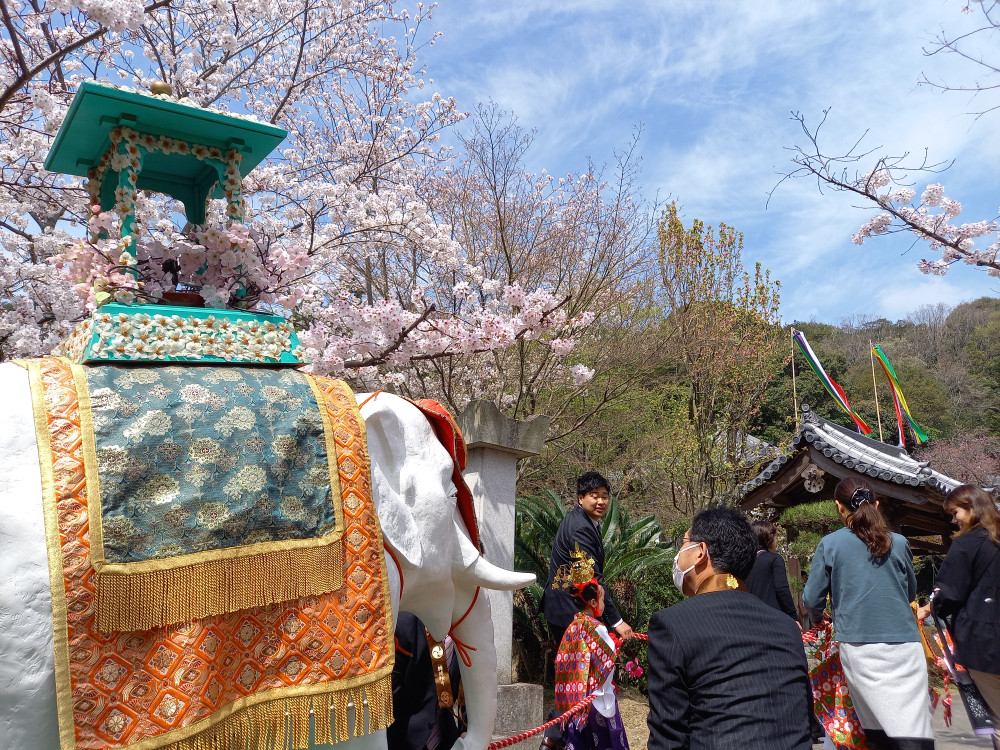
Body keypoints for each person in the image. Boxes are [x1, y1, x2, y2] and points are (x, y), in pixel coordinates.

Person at [646, 507, 812, 750]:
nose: (678, 554)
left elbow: (668, 737)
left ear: (700, 551)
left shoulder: (673, 624)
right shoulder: (786, 627)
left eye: (682, 544)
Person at [803, 477, 934, 750]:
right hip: (904, 643)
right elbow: (909, 593)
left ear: (839, 507)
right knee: (914, 726)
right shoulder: (898, 543)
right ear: (875, 504)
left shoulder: (831, 544)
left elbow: (811, 598)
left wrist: (818, 620)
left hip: (859, 644)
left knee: (876, 726)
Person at [540, 471, 632, 750]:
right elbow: (593, 580)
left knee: (574, 678)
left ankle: (556, 738)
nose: (601, 501)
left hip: (566, 610)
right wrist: (616, 621)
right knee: (577, 678)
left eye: (605, 496)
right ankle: (557, 739)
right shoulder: (580, 527)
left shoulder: (582, 521)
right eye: (594, 495)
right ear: (581, 498)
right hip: (570, 613)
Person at [931, 484, 1000, 750]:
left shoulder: (967, 543)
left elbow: (948, 593)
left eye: (956, 512)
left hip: (984, 643)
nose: (954, 519)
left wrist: (931, 607)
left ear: (971, 507)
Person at [553, 548, 630, 750]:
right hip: (597, 701)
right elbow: (608, 657)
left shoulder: (575, 624)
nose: (604, 603)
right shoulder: (596, 628)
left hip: (578, 701)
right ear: (594, 602)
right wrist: (618, 641)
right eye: (603, 599)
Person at [387, 611, 465, 750]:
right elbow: (392, 690)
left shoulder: (464, 629)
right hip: (405, 739)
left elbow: (470, 685)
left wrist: (467, 728)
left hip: (446, 738)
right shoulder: (404, 622)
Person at [745, 519, 799, 621]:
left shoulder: (743, 562)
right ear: (768, 539)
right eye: (774, 537)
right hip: (773, 618)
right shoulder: (774, 559)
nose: (776, 541)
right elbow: (781, 589)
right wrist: (793, 617)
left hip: (749, 618)